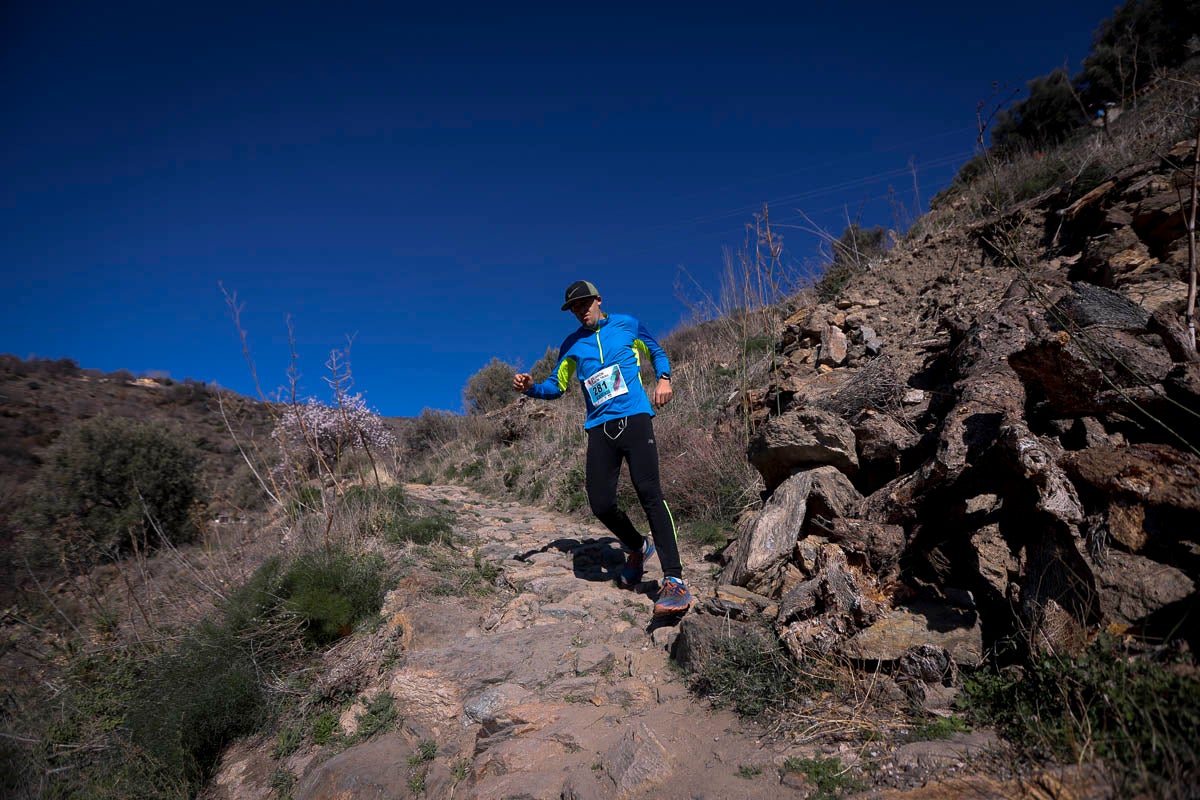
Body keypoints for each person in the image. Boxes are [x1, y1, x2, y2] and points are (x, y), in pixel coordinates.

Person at [512, 280, 693, 616]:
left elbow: (657, 350)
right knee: (600, 503)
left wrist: (664, 378)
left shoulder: (627, 324)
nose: (581, 312)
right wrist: (532, 387)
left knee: (650, 493)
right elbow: (556, 386)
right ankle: (639, 547)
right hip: (599, 429)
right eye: (575, 309)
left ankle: (674, 580)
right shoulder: (571, 345)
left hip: (635, 417)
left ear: (598, 300)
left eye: (584, 304)